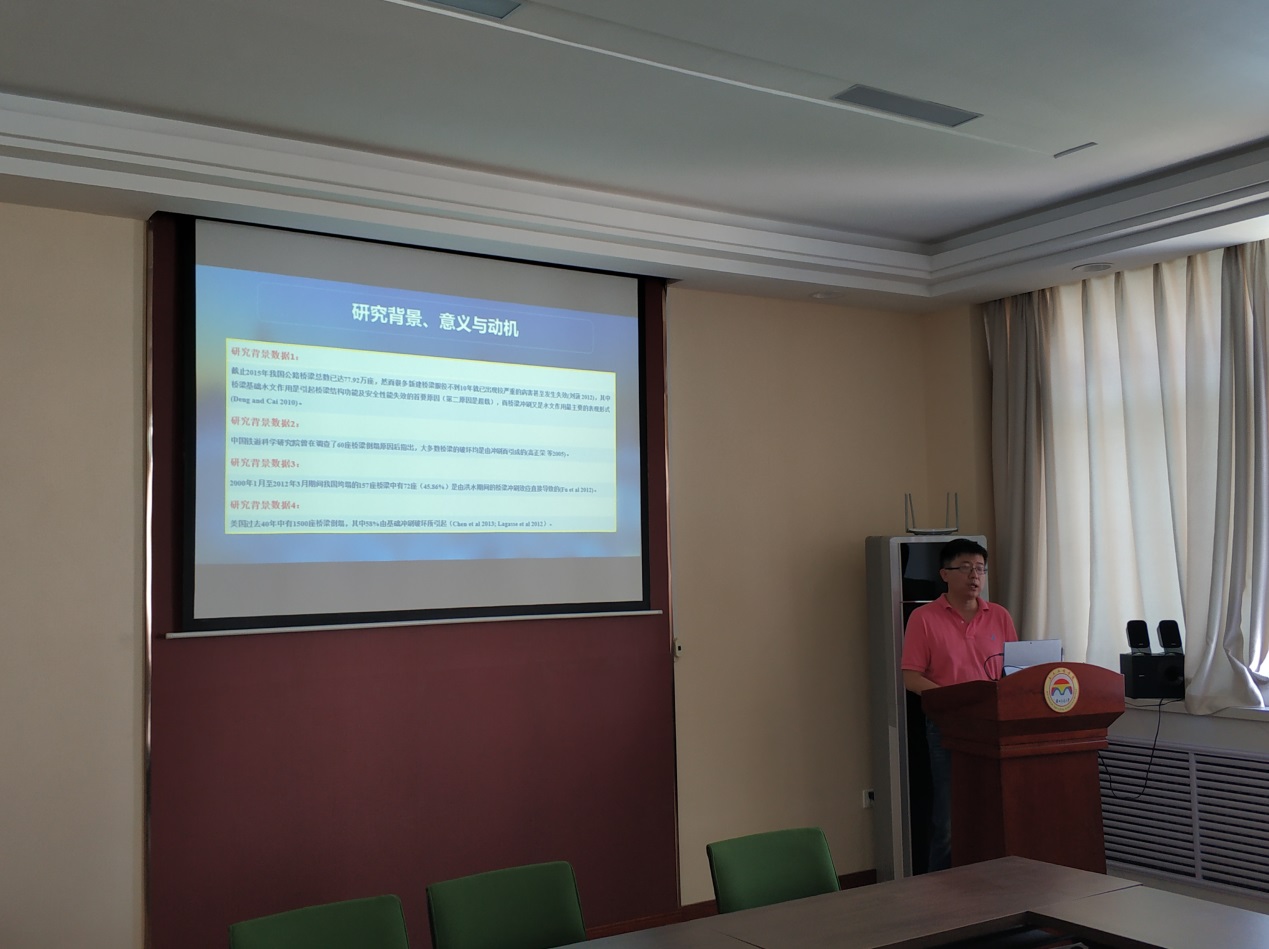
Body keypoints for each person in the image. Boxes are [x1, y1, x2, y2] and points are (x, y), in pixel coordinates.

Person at [900, 537, 1017, 872]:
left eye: (980, 569)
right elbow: (911, 678)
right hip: (947, 728)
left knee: (994, 812)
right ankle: (940, 894)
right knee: (949, 819)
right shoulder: (924, 618)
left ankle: (995, 887)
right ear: (945, 574)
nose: (974, 576)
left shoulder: (999, 616)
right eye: (965, 568)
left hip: (993, 727)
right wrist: (953, 701)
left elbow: (1014, 670)